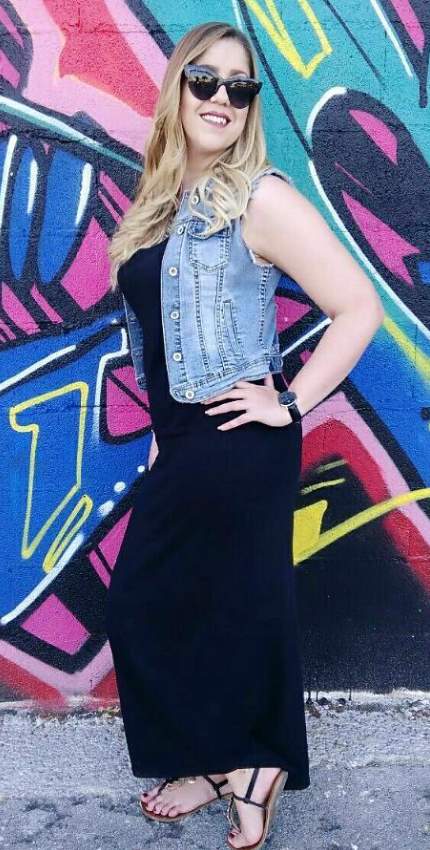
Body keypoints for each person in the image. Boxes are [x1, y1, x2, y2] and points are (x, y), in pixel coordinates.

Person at [105, 21, 384, 850]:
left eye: (240, 86)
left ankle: (247, 767)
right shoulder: (159, 202)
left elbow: (358, 307)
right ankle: (220, 763)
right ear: (178, 88)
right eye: (206, 80)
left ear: (251, 103)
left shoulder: (258, 198)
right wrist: (161, 434)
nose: (222, 98)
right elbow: (160, 341)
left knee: (178, 606)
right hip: (182, 439)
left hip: (237, 439)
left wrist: (289, 404)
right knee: (174, 607)